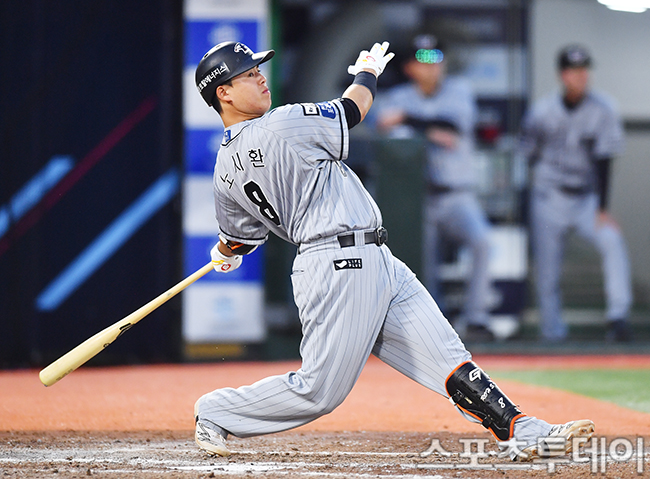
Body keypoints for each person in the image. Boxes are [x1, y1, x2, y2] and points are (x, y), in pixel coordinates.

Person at [192, 40, 594, 461]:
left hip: (374, 257)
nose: (261, 77)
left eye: (257, 69)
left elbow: (240, 238)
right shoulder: (281, 123)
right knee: (319, 391)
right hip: (337, 263)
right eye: (248, 74)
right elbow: (353, 109)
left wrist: (225, 251)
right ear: (224, 92)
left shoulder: (224, 167)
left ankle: (522, 431)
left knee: (447, 357)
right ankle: (217, 410)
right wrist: (367, 72)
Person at [374, 33, 496, 343]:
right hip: (417, 199)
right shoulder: (397, 97)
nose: (431, 67)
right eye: (423, 61)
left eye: (436, 60)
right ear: (409, 68)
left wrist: (408, 120)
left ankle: (477, 319)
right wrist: (429, 128)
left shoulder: (459, 90)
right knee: (420, 262)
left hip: (457, 195)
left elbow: (452, 129)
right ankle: (433, 324)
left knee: (482, 243)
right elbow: (384, 127)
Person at [519, 44, 633, 343]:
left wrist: (603, 209)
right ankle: (552, 334)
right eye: (573, 70)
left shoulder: (603, 108)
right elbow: (527, 154)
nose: (580, 75)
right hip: (549, 196)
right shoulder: (542, 111)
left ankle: (618, 318)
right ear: (562, 75)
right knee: (547, 271)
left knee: (611, 240)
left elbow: (605, 161)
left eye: (584, 69)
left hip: (585, 199)